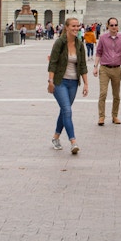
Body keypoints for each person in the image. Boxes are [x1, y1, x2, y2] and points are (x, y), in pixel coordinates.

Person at [47, 17, 88, 154]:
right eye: (73, 26)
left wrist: (86, 83)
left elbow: (82, 65)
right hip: (60, 81)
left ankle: (55, 137)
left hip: (73, 83)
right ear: (66, 27)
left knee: (65, 111)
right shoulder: (60, 43)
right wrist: (50, 81)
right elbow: (52, 63)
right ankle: (73, 142)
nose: (76, 28)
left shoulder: (79, 44)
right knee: (67, 111)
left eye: (78, 26)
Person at [93, 17, 121, 125]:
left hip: (117, 69)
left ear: (118, 26)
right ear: (108, 26)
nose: (114, 27)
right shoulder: (103, 38)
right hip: (104, 68)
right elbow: (98, 52)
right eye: (111, 25)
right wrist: (95, 66)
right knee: (103, 93)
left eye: (115, 25)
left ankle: (115, 116)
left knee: (116, 95)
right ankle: (101, 116)